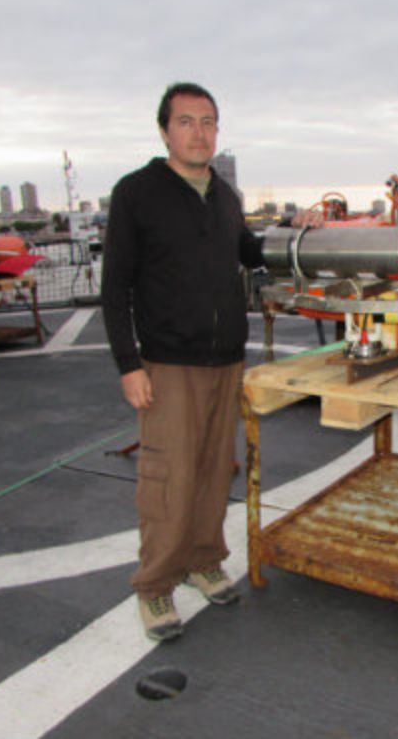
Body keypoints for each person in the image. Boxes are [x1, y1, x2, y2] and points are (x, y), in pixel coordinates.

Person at [101, 82, 320, 641]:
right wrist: (130, 364)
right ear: (164, 129)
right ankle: (154, 586)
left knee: (213, 469)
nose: (200, 132)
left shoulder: (225, 196)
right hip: (168, 363)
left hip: (226, 360)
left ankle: (204, 559)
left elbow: (243, 248)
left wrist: (290, 238)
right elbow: (116, 284)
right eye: (187, 121)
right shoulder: (137, 192)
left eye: (209, 122)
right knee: (168, 478)